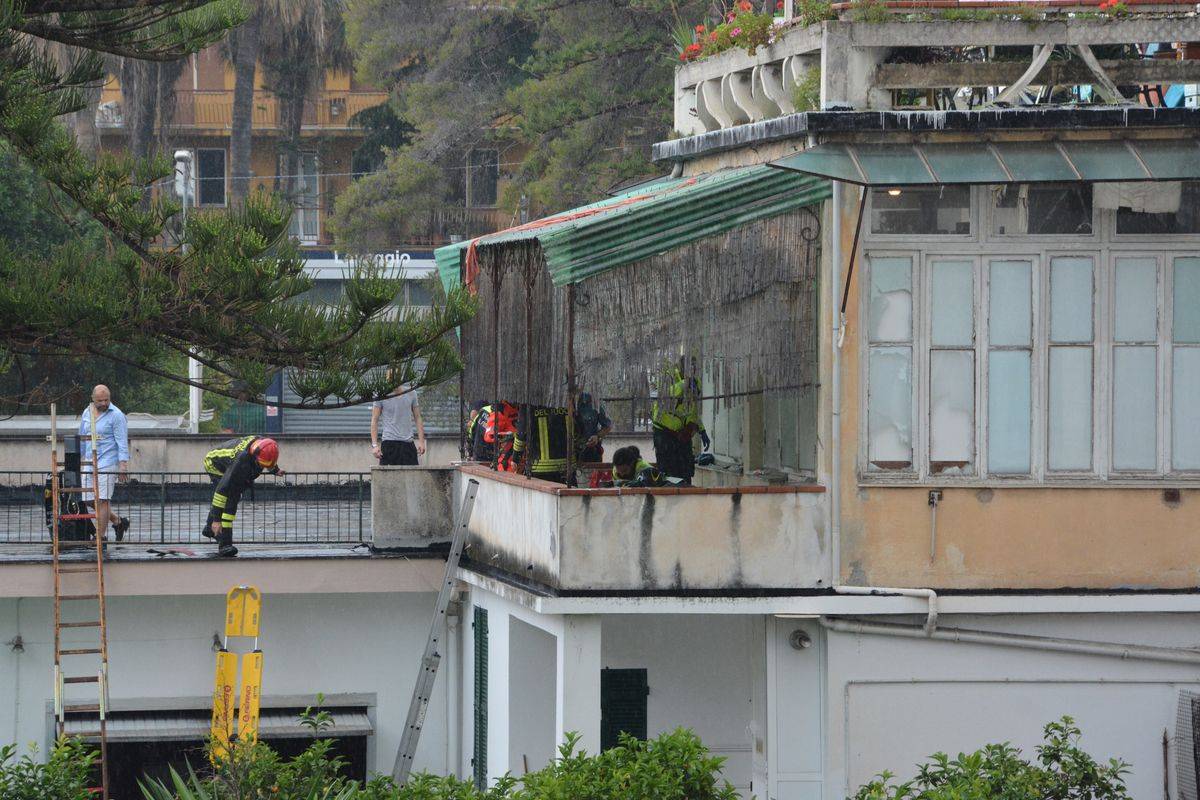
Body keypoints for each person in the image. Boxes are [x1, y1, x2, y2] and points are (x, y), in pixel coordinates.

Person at [202, 436, 283, 557]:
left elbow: (267, 459)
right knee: (229, 498)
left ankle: (210, 530)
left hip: (230, 461)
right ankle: (224, 544)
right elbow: (221, 491)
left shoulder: (263, 446)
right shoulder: (241, 460)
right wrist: (217, 520)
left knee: (233, 497)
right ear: (254, 455)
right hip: (214, 463)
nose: (262, 467)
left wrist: (275, 469)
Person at [78, 384, 131, 542]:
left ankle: (100, 538)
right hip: (88, 461)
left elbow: (122, 442)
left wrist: (123, 466)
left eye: (106, 400)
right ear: (93, 399)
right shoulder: (87, 412)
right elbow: (82, 435)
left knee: (103, 500)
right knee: (87, 499)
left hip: (107, 462)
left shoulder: (117, 415)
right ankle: (118, 521)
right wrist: (78, 459)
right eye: (100, 400)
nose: (103, 403)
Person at [651, 369, 710, 484]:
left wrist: (702, 430)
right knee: (668, 471)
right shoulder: (668, 396)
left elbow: (693, 415)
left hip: (681, 435)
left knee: (685, 468)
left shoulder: (691, 398)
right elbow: (660, 417)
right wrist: (677, 433)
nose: (692, 398)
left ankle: (685, 488)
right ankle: (669, 492)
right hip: (664, 435)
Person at [512, 405, 571, 483]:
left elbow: (522, 434)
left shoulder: (529, 403)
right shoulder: (566, 401)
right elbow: (579, 430)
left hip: (540, 469)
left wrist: (515, 458)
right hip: (567, 467)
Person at [371, 384, 426, 466]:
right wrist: (374, 445)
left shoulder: (411, 393)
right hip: (389, 443)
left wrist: (421, 442)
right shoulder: (381, 394)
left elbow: (417, 417)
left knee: (412, 477)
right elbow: (374, 419)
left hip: (408, 443)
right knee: (388, 477)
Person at [574, 392, 612, 463]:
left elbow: (608, 426)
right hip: (564, 453)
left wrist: (597, 436)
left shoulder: (592, 402)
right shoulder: (556, 401)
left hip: (589, 451)